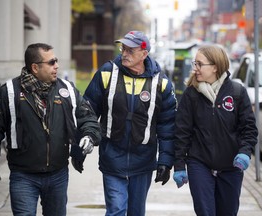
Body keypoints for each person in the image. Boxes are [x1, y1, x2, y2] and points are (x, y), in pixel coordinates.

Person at [0, 43, 101, 216]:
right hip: (23, 175)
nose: (57, 66)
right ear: (35, 67)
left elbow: (88, 116)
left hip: (58, 174)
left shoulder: (67, 90)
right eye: (51, 62)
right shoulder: (9, 92)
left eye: (56, 61)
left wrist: (90, 136)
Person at [83, 30, 177, 215]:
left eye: (130, 50)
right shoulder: (107, 73)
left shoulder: (161, 83)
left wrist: (165, 161)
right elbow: (88, 111)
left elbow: (168, 126)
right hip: (112, 157)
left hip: (143, 160)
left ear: (144, 53)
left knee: (136, 211)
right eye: (123, 48)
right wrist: (79, 147)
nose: (124, 53)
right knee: (116, 209)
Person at [173, 44, 258, 216]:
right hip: (199, 163)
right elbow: (182, 132)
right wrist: (179, 165)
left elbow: (249, 127)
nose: (195, 68)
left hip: (231, 165)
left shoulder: (237, 92)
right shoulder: (192, 94)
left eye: (199, 64)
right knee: (205, 212)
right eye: (194, 64)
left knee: (228, 212)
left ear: (215, 67)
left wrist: (244, 152)